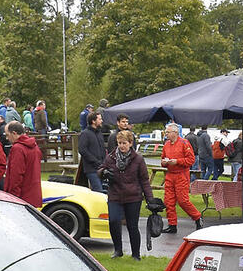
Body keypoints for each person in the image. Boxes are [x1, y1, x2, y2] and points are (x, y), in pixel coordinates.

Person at [100, 129, 155, 259]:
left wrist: (150, 199)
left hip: (133, 196)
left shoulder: (138, 159)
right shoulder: (111, 157)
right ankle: (118, 250)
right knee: (113, 221)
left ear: (130, 143)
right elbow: (101, 169)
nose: (121, 146)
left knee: (132, 225)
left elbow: (144, 180)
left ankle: (136, 254)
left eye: (124, 143)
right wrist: (103, 172)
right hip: (115, 194)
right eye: (119, 143)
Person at [160, 122, 203, 233]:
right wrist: (165, 162)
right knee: (169, 201)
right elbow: (162, 159)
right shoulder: (166, 145)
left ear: (175, 132)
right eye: (166, 132)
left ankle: (197, 217)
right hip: (170, 175)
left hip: (181, 175)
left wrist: (177, 161)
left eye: (168, 132)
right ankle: (172, 225)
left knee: (183, 200)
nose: (166, 134)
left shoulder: (184, 143)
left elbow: (191, 160)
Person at [2, 120, 42, 206]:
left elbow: (16, 175)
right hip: (33, 194)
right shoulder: (35, 147)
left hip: (21, 197)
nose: (7, 138)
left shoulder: (18, 148)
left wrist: (13, 197)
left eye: (7, 135)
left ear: (14, 133)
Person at [78, 111, 107, 192]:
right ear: (93, 121)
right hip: (91, 169)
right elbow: (82, 150)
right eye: (100, 119)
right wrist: (95, 161)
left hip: (101, 168)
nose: (102, 121)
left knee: (103, 191)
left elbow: (103, 149)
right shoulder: (85, 134)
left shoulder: (99, 133)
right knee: (98, 191)